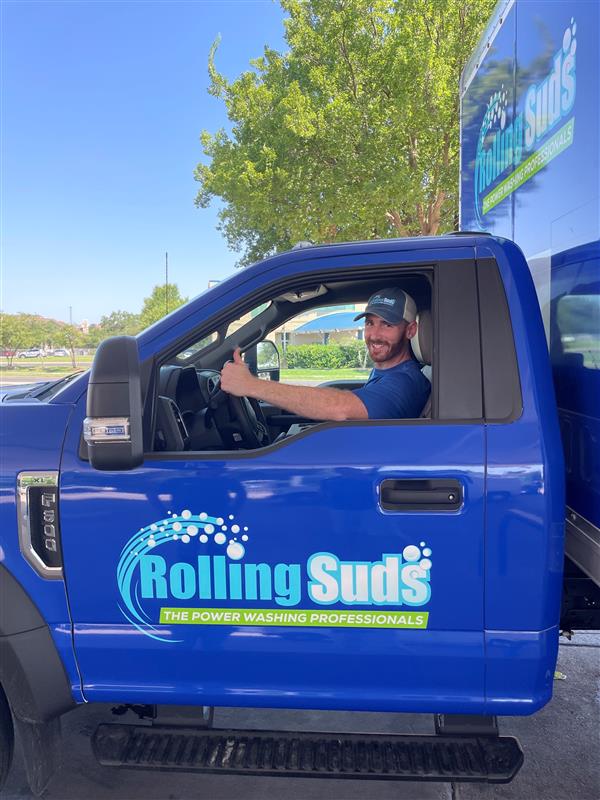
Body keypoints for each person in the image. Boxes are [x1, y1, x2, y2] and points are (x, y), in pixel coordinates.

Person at [220, 287, 431, 421]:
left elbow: (340, 407)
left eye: (387, 325)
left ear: (410, 330)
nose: (374, 335)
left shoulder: (405, 383)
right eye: (370, 323)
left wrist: (250, 385)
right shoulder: (389, 371)